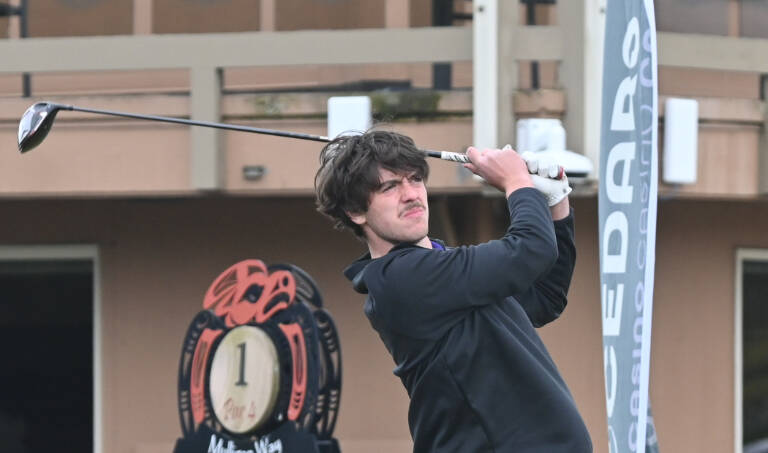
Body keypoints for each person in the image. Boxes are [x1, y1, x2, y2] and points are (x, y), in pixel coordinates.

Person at [314, 131, 592, 452]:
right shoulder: (401, 278)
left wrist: (556, 204)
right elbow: (530, 251)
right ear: (355, 211)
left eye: (415, 179)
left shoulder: (440, 267)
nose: (411, 194)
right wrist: (516, 182)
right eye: (390, 187)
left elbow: (544, 298)